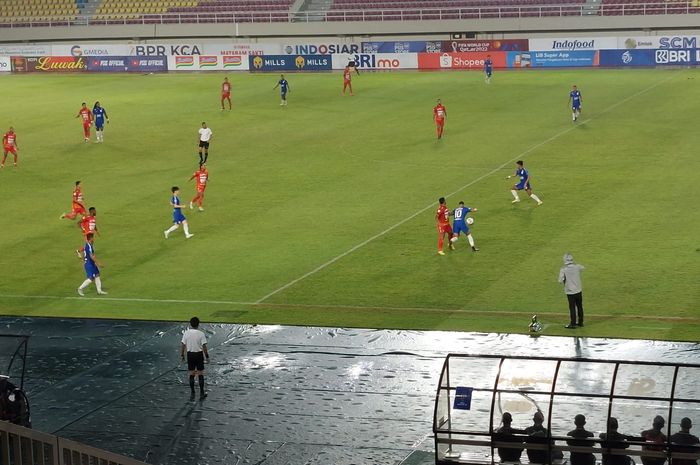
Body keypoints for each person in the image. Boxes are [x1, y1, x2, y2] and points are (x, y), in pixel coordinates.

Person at [180, 316, 209, 400]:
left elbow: (183, 345)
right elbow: (204, 346)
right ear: (198, 324)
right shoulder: (201, 334)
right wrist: (207, 356)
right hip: (199, 355)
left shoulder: (186, 333)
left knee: (192, 374)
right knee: (200, 373)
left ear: (191, 324)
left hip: (190, 355)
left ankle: (192, 392)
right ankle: (202, 393)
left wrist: (182, 355)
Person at [559, 253, 585, 329]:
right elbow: (583, 268)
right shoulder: (577, 267)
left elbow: (560, 280)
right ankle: (581, 322)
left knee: (572, 308)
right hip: (578, 290)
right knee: (580, 306)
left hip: (570, 292)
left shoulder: (563, 269)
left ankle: (573, 324)